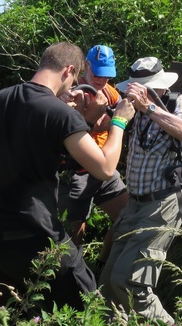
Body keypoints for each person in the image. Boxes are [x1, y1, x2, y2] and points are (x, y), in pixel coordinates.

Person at [0, 42, 136, 318]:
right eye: (75, 77)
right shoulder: (61, 114)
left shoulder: (1, 98)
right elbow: (105, 168)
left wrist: (74, 115)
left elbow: (36, 142)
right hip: (34, 238)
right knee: (88, 310)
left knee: (9, 317)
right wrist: (119, 122)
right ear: (69, 71)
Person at [99, 57, 182, 324]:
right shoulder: (132, 109)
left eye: (148, 88)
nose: (140, 93)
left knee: (130, 283)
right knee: (107, 283)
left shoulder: (178, 102)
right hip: (134, 204)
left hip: (162, 204)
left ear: (160, 87)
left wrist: (149, 106)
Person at [58, 45, 129, 271]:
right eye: (97, 73)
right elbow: (66, 138)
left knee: (126, 216)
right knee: (74, 233)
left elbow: (122, 115)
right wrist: (87, 116)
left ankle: (101, 265)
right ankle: (71, 277)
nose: (101, 79)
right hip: (76, 172)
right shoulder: (70, 93)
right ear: (85, 66)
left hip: (103, 169)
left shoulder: (111, 93)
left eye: (107, 74)